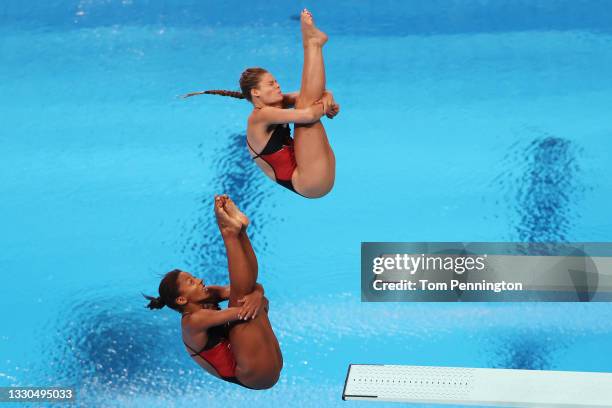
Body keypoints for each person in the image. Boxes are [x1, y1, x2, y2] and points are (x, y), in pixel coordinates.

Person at [183, 9, 339, 198]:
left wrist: (326, 97)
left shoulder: (276, 105)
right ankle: (312, 44)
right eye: (271, 83)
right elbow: (309, 114)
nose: (277, 85)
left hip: (316, 172)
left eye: (276, 81)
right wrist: (324, 102)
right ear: (255, 92)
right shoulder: (261, 116)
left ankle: (313, 44)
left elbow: (313, 95)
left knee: (307, 100)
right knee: (306, 108)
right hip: (309, 181)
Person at [143, 195, 282, 389]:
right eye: (191, 282)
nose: (199, 280)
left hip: (267, 364)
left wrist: (257, 294)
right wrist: (257, 296)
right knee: (244, 301)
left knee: (246, 294)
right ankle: (230, 233)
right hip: (254, 374)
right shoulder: (193, 321)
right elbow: (245, 309)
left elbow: (255, 294)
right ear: (182, 299)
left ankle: (240, 231)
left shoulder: (208, 294)